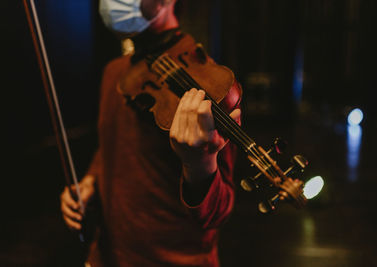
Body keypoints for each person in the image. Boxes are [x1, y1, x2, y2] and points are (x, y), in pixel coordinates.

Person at [60, 0, 305, 266]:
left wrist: (199, 164)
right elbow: (109, 147)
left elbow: (218, 213)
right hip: (106, 255)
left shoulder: (214, 87)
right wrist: (89, 183)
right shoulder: (114, 72)